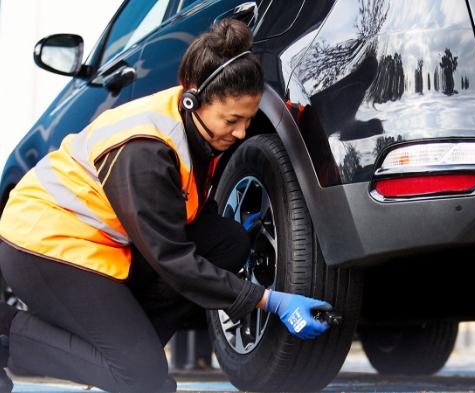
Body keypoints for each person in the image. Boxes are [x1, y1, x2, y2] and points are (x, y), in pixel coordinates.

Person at [0, 19, 331, 393]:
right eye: (231, 120)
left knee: (227, 241)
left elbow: (186, 214)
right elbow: (173, 259)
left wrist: (236, 237)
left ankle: (127, 350)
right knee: (142, 378)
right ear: (192, 100)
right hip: (43, 245)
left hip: (104, 243)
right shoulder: (145, 150)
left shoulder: (196, 131)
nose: (240, 133)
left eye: (248, 120)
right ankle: (8, 333)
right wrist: (268, 300)